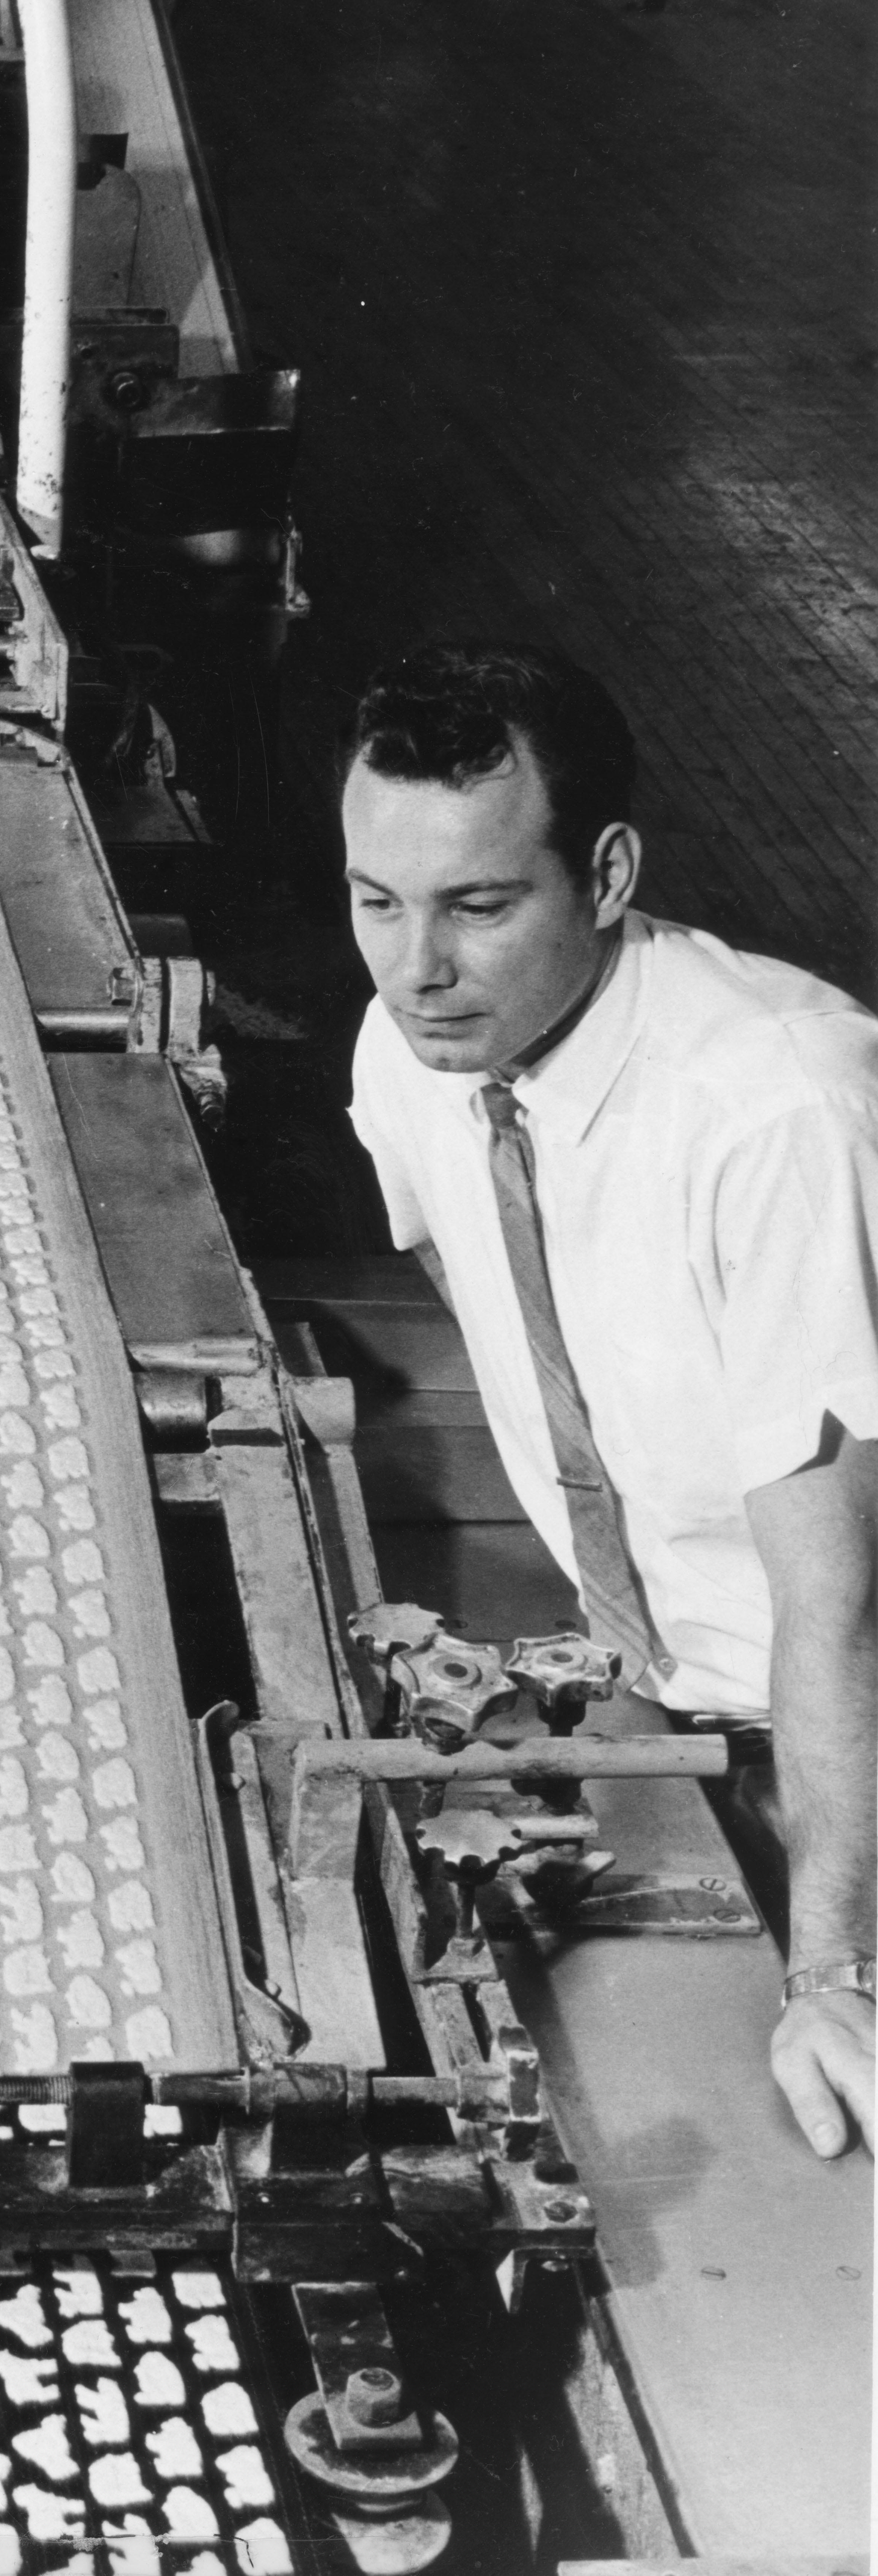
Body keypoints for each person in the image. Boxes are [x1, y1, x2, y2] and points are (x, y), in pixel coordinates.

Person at [339, 641, 878, 2160]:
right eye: (376, 902)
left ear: (608, 873)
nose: (414, 966)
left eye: (479, 906)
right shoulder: (417, 1051)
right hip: (686, 1703)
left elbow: (836, 1609)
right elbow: (479, 1278)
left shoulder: (777, 1111)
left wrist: (838, 1968)